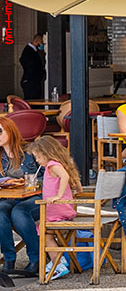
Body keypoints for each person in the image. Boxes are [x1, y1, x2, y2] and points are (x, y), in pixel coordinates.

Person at [27, 136, 82, 280]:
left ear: (47, 153)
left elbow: (65, 177)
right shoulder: (58, 164)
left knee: (45, 233)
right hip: (65, 209)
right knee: (48, 233)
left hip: (57, 209)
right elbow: (78, 187)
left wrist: (58, 195)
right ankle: (57, 261)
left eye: (38, 157)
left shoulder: (52, 165)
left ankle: (58, 263)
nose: (37, 160)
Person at [0, 118, 43, 274]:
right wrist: (6, 182)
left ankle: (36, 258)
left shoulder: (30, 151)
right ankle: (9, 259)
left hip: (38, 197)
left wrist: (31, 183)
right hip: (11, 198)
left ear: (10, 131)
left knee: (19, 212)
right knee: (0, 211)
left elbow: (50, 175)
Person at [19, 33, 46, 99]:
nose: (42, 45)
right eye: (42, 42)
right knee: (32, 101)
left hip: (32, 81)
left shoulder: (33, 51)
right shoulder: (29, 51)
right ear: (37, 41)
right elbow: (31, 66)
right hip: (31, 82)